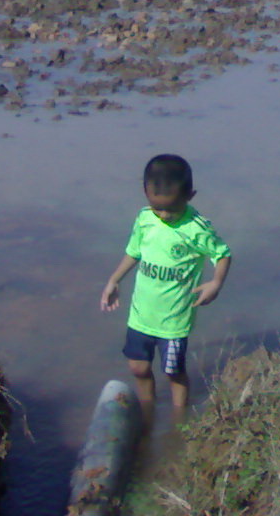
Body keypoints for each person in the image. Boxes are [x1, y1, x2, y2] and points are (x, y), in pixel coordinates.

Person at [99, 154, 232, 419]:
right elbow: (134, 252)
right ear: (145, 194)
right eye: (157, 208)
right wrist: (114, 280)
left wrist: (216, 283)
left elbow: (222, 254)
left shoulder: (197, 228)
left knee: (173, 372)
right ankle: (147, 411)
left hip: (173, 322)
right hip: (141, 315)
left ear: (190, 196)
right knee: (138, 368)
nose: (164, 215)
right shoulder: (144, 219)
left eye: (171, 209)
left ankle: (178, 418)